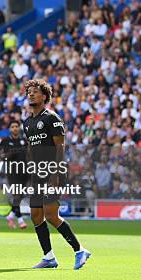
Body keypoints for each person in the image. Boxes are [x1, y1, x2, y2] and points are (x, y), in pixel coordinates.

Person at [22, 79, 91, 269]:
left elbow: (60, 146)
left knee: (51, 215)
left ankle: (79, 250)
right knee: (36, 214)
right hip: (37, 173)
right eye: (29, 92)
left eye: (35, 91)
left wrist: (55, 173)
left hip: (52, 171)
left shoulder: (51, 118)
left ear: (44, 96)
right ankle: (49, 258)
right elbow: (31, 148)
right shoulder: (27, 123)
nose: (31, 94)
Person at [0, 120, 28, 229]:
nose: (15, 128)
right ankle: (20, 220)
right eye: (12, 126)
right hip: (12, 172)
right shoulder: (5, 141)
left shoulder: (24, 141)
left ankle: (10, 215)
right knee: (17, 195)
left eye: (16, 126)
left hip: (25, 171)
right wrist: (14, 152)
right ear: (10, 129)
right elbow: (2, 156)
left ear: (19, 128)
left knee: (20, 195)